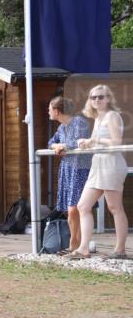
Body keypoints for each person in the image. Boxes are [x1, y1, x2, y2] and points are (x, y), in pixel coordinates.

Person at [70, 86, 128, 260]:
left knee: (115, 207)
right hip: (98, 164)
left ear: (108, 98)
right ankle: (83, 248)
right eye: (93, 97)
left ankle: (120, 249)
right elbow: (99, 143)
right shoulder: (98, 118)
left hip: (111, 163)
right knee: (83, 206)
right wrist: (86, 143)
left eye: (100, 97)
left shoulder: (112, 116)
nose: (96, 100)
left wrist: (94, 140)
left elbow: (116, 142)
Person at [47, 97, 92, 254]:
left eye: (49, 109)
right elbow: (51, 142)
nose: (48, 112)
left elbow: (79, 143)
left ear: (57, 111)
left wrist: (63, 146)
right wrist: (57, 145)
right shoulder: (61, 127)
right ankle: (77, 244)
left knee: (75, 207)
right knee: (70, 208)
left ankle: (75, 243)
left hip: (80, 169)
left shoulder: (79, 122)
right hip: (67, 169)